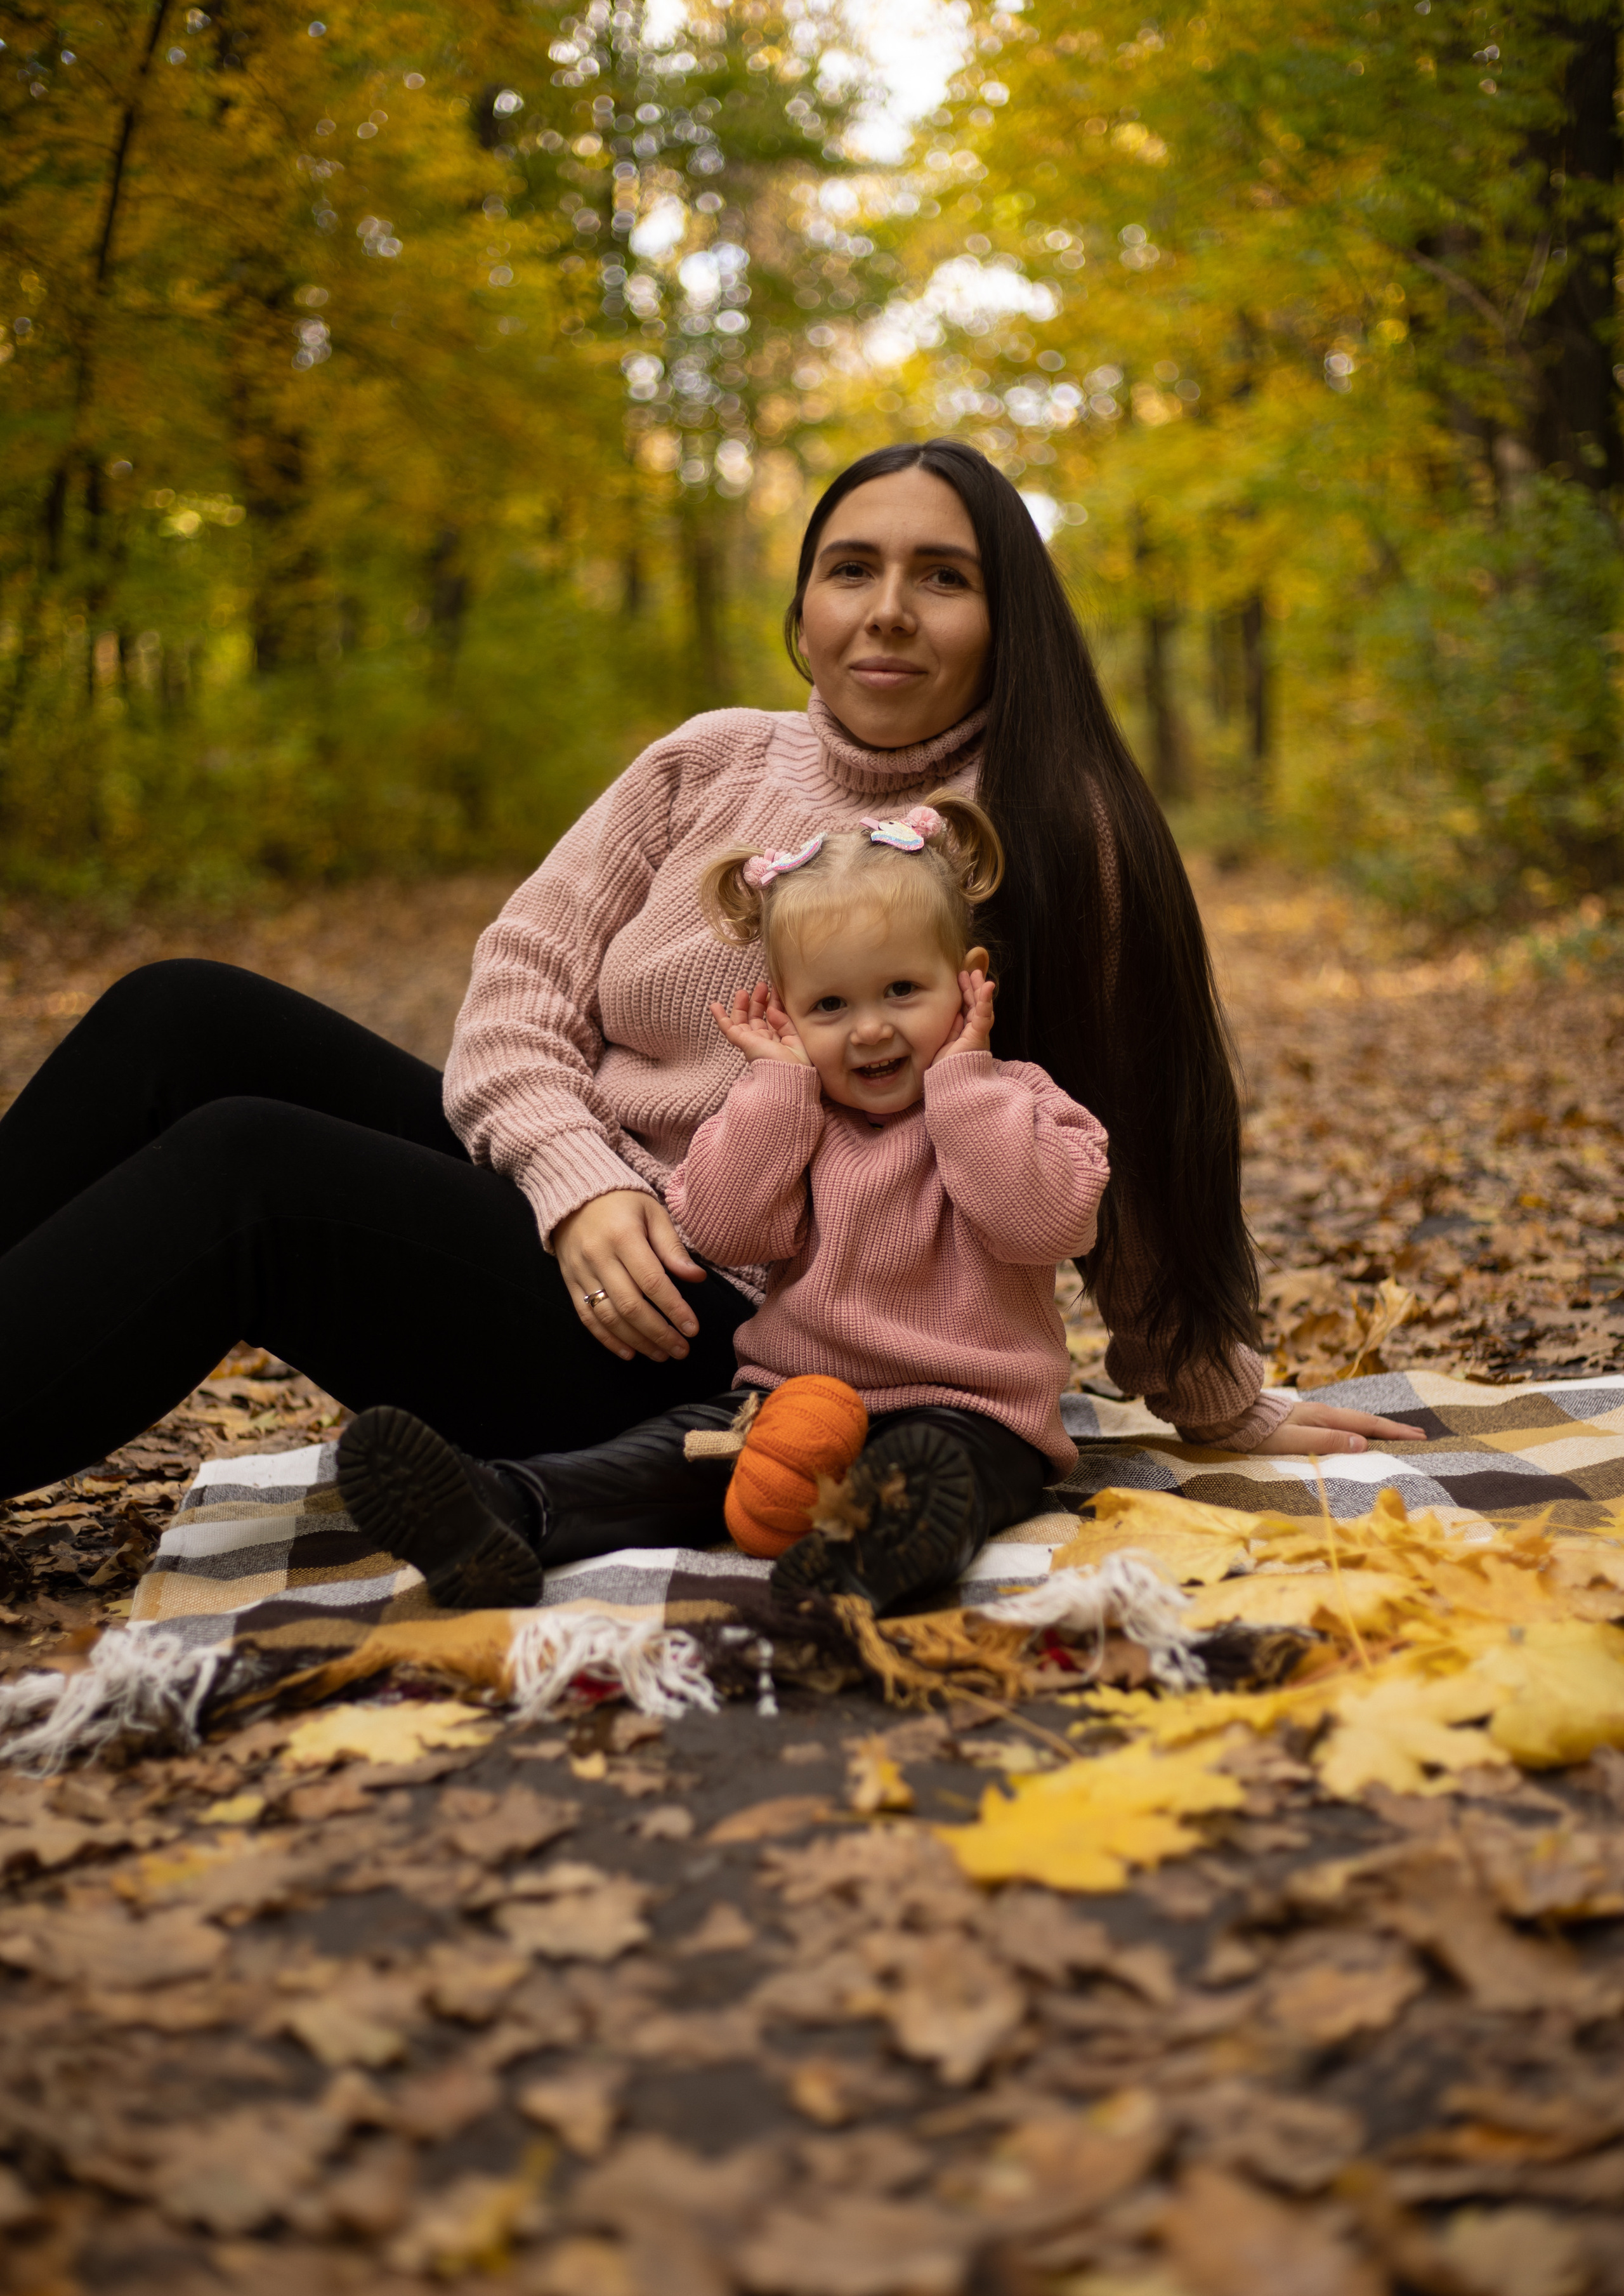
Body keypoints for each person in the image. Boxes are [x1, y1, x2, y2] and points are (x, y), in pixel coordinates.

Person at [0, 439, 1423, 1497]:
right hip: (586, 1231)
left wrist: (1210, 1390)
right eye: (850, 569)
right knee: (178, 1014)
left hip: (730, 1330)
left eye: (943, 578)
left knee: (250, 1166)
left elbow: (1138, 1130)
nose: (886, 611)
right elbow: (515, 996)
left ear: (1009, 621)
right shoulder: (709, 758)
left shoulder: (1049, 827)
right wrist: (578, 1183)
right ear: (801, 604)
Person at [336, 796, 1111, 1617]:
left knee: (937, 1468)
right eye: (831, 1007)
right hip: (787, 1395)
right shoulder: (789, 1117)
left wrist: (963, 1085)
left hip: (972, 1408)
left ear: (969, 984)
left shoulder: (1018, 1101)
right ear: (785, 1010)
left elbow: (1046, 1224)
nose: (871, 1030)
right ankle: (506, 1512)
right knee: (671, 1458)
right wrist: (778, 1092)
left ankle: (864, 1558)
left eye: (902, 991)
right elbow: (721, 1227)